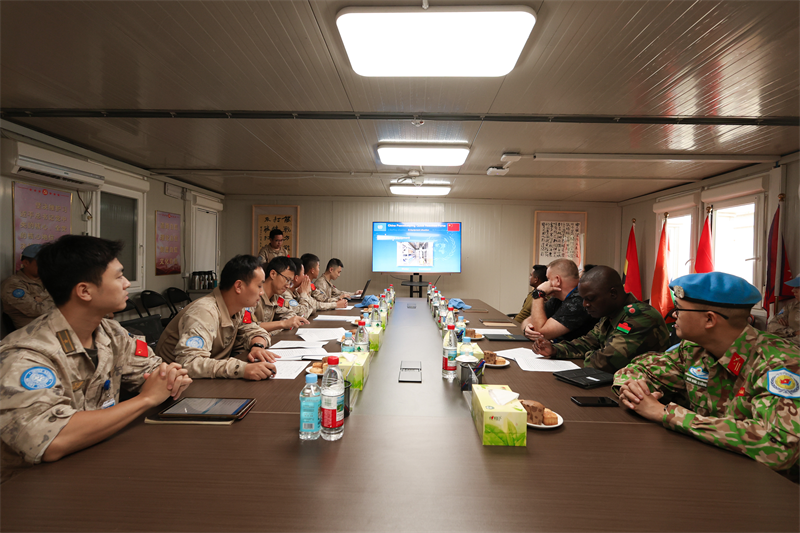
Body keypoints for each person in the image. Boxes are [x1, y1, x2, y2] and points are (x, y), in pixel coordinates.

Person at [0, 235, 192, 482]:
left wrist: (171, 378)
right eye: (119, 277)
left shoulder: (112, 332)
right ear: (84, 291)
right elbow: (52, 441)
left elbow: (157, 373)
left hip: (93, 462)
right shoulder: (25, 355)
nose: (126, 284)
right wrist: (146, 399)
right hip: (27, 486)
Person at [613, 272, 800, 479]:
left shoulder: (780, 365)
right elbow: (638, 368)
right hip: (710, 466)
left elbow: (778, 447)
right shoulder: (694, 349)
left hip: (772, 486)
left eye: (679, 309)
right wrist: (634, 388)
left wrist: (665, 414)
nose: (674, 315)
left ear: (709, 319)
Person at [156, 255, 277, 380]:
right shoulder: (204, 312)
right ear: (238, 286)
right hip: (171, 383)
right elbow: (189, 363)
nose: (262, 292)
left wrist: (257, 346)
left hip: (206, 379)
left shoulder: (238, 308)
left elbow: (253, 329)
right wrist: (240, 369)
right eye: (259, 286)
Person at [530, 266, 670, 372]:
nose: (585, 304)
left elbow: (607, 361)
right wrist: (555, 349)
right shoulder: (610, 313)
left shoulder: (640, 317)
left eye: (590, 298)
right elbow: (587, 343)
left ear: (613, 293)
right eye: (583, 299)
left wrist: (590, 354)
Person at [521, 258, 597, 342]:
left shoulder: (579, 300)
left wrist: (538, 294)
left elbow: (541, 333)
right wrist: (527, 328)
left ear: (557, 280)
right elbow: (528, 320)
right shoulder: (558, 298)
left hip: (573, 350)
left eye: (548, 279)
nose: (545, 284)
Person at [1, 244, 56, 329]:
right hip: (34, 332)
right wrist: (59, 301)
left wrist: (43, 300)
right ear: (26, 263)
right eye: (42, 263)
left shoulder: (48, 280)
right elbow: (37, 310)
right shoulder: (13, 284)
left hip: (54, 327)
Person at [252, 256, 310, 334]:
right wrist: (282, 324)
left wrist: (278, 327)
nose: (288, 286)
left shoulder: (276, 297)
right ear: (273, 274)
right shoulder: (252, 296)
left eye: (290, 282)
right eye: (287, 280)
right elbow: (248, 328)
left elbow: (292, 315)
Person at [767, 275, 800, 346]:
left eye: (798, 287)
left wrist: (783, 336)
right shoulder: (791, 306)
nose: (793, 290)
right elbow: (771, 326)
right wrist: (792, 332)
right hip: (786, 346)